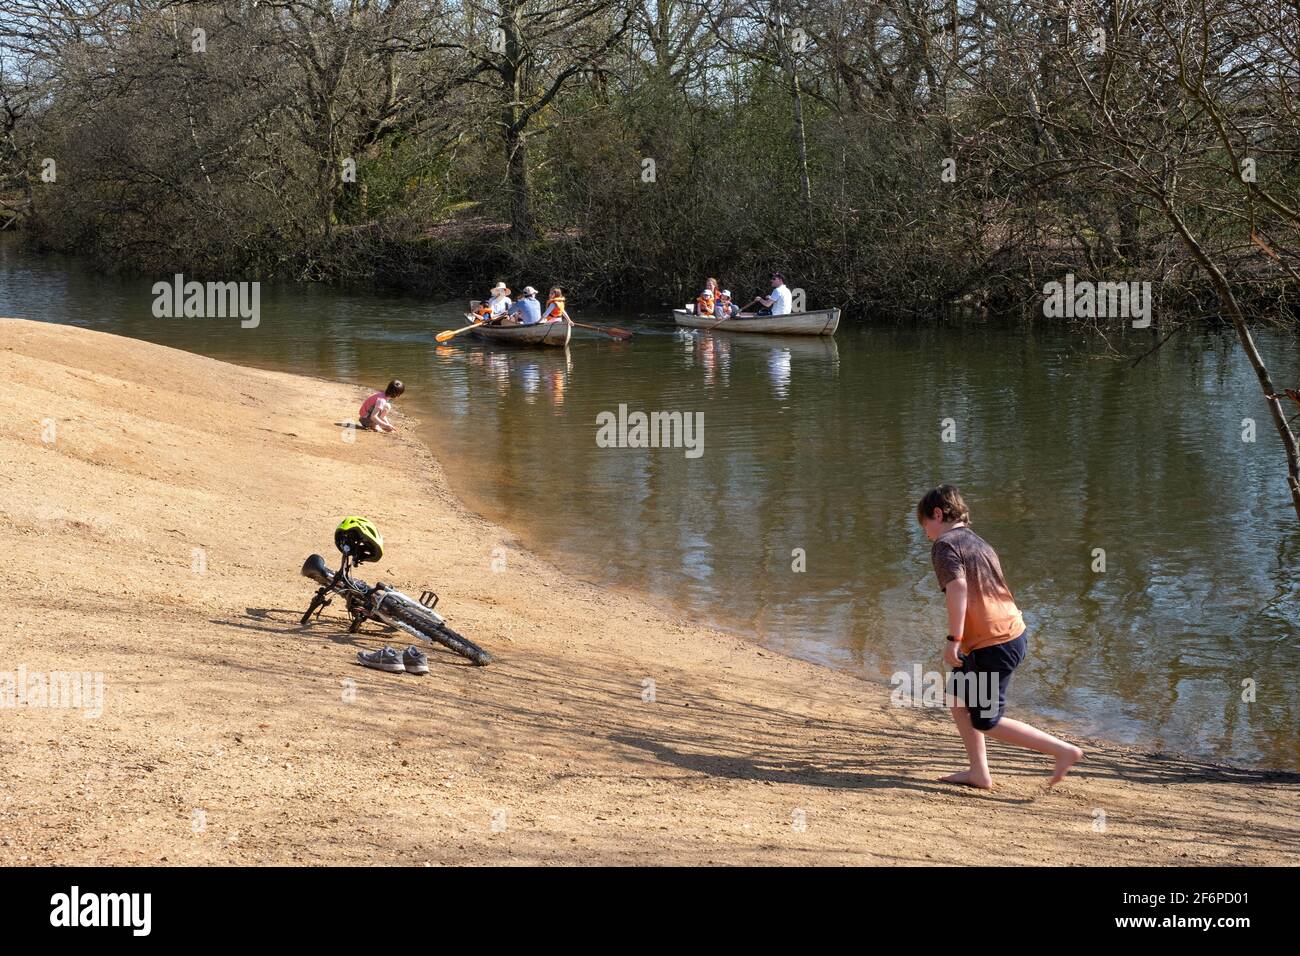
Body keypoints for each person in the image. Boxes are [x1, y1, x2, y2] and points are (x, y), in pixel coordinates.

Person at [917, 484, 1083, 789]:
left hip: (993, 644)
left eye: (925, 525)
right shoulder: (977, 543)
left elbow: (958, 589)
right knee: (958, 698)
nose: (926, 533)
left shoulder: (945, 545)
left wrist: (953, 639)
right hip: (1011, 634)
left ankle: (1063, 751)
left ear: (938, 515)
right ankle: (979, 772)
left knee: (987, 721)